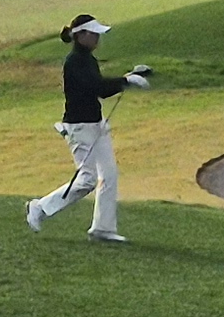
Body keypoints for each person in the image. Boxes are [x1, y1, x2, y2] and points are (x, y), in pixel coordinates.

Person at [27, 14, 149, 243]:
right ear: (80, 36)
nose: (97, 39)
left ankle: (103, 228)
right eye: (93, 34)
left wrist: (129, 78)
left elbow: (100, 89)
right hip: (79, 127)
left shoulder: (88, 60)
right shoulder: (74, 62)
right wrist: (126, 80)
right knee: (87, 180)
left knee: (109, 175)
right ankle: (40, 207)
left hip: (96, 124)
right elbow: (96, 87)